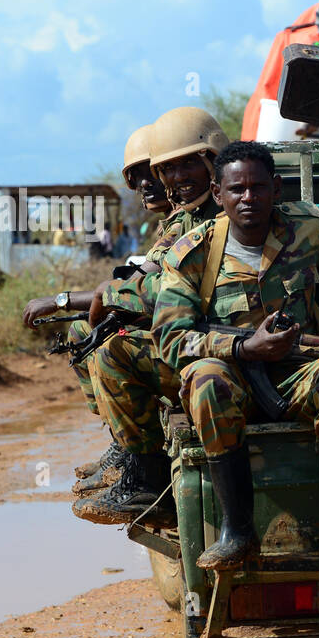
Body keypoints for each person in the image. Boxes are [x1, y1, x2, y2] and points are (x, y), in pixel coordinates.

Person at [153, 142, 319, 573]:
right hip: (233, 377)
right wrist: (242, 348)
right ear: (218, 195)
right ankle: (237, 531)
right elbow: (170, 337)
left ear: (276, 188)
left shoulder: (309, 228)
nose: (248, 198)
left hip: (298, 370)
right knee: (205, 379)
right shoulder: (192, 253)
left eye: (259, 187)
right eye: (236, 189)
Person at [73, 108, 228, 520]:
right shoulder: (185, 220)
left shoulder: (219, 216)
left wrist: (84, 297)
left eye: (185, 165)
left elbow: (157, 288)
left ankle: (146, 479)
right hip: (202, 340)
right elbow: (155, 283)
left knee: (110, 350)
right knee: (92, 337)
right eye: (167, 169)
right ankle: (130, 455)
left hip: (215, 347)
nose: (165, 181)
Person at [22, 124, 173, 486]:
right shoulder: (169, 224)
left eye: (152, 174)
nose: (144, 186)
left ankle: (145, 472)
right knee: (82, 330)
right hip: (171, 329)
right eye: (135, 179)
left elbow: (144, 287)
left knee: (111, 349)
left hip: (188, 339)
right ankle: (124, 445)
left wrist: (61, 300)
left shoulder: (188, 224)